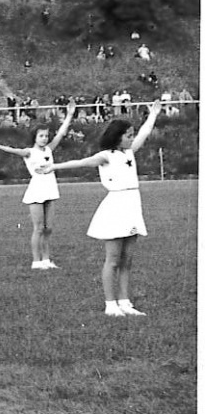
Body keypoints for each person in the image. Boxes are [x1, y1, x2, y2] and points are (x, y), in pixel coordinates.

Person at [39, 100, 162, 316]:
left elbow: (145, 132)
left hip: (132, 206)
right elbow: (81, 162)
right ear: (117, 136)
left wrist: (153, 115)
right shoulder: (106, 156)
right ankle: (110, 304)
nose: (132, 138)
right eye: (128, 135)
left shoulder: (129, 152)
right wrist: (54, 166)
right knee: (113, 259)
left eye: (132, 135)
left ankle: (125, 302)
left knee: (127, 259)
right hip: (116, 207)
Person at [0, 100, 77, 268]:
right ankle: (36, 261)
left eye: (45, 136)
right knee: (39, 227)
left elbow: (60, 134)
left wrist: (70, 115)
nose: (44, 138)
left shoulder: (49, 149)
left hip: (50, 189)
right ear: (35, 137)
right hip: (37, 191)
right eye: (41, 136)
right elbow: (14, 150)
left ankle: (46, 259)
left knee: (48, 228)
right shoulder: (30, 152)